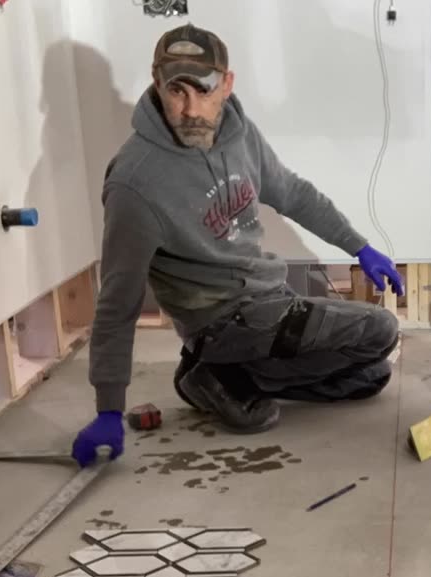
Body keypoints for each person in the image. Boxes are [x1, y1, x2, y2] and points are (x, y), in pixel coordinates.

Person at [71, 23, 403, 467]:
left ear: (226, 84)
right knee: (382, 330)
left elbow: (293, 193)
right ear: (157, 83)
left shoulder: (239, 134)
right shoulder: (136, 182)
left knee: (370, 377)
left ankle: (222, 378)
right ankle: (215, 368)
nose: (190, 109)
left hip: (268, 299)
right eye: (176, 91)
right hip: (219, 319)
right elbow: (118, 300)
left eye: (203, 91)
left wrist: (358, 246)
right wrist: (108, 408)